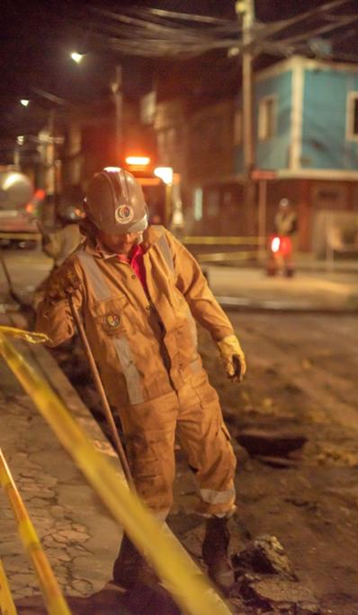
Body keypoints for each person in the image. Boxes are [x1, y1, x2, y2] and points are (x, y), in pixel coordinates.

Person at [34, 169, 245, 594]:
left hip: (191, 381)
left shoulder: (163, 244)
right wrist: (57, 295)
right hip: (141, 397)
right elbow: (51, 336)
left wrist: (225, 336)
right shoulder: (81, 270)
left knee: (219, 461)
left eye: (132, 229)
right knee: (153, 484)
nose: (128, 239)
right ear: (92, 225)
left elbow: (198, 290)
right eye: (117, 232)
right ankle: (132, 564)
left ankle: (216, 548)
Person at [269, 197, 298, 277]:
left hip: (288, 238)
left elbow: (295, 229)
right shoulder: (278, 216)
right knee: (277, 254)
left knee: (288, 255)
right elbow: (274, 227)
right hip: (279, 238)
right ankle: (280, 269)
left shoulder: (292, 217)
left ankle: (288, 270)